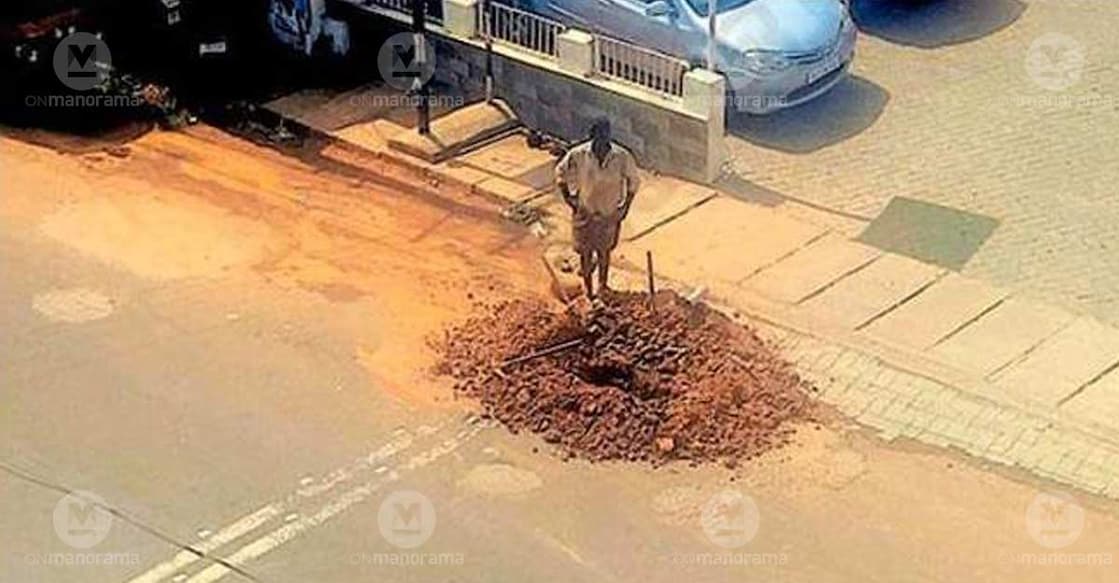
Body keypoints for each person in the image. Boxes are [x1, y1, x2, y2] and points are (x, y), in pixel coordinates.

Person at [555, 119, 641, 301]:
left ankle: (602, 286)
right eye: (599, 136)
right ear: (592, 136)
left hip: (609, 214)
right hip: (586, 212)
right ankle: (588, 291)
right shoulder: (579, 154)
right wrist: (569, 198)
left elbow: (634, 181)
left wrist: (625, 206)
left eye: (606, 135)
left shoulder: (621, 156)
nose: (603, 140)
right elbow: (560, 173)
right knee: (585, 254)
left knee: (604, 252)